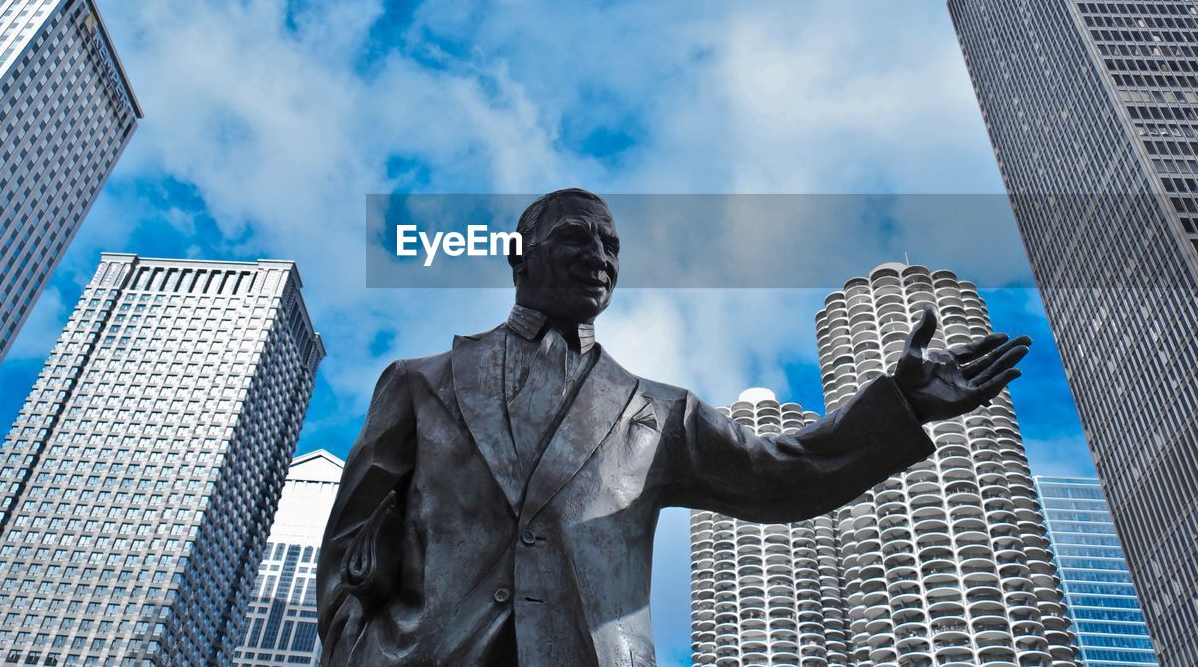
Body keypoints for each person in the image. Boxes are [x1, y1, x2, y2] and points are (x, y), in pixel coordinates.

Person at [317, 188, 1029, 666]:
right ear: (518, 254)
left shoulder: (657, 411)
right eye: (576, 237)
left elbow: (780, 466)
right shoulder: (420, 383)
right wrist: (356, 649)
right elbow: (351, 548)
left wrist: (899, 404)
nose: (600, 255)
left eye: (612, 243)